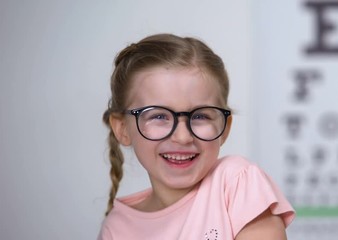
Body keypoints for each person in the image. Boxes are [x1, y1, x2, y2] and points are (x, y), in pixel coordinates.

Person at [98, 33, 295, 240]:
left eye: (200, 116)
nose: (182, 137)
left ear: (225, 127)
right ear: (122, 129)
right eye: (158, 116)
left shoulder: (237, 182)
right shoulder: (117, 228)